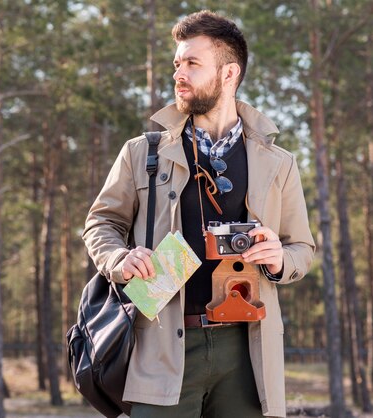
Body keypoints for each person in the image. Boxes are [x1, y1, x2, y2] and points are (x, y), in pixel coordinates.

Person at [82, 10, 315, 418]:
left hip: (248, 353)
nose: (179, 73)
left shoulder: (278, 163)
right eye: (177, 63)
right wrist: (120, 258)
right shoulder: (143, 153)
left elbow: (302, 247)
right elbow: (101, 222)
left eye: (192, 63)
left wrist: (281, 259)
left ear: (229, 73)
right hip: (161, 347)